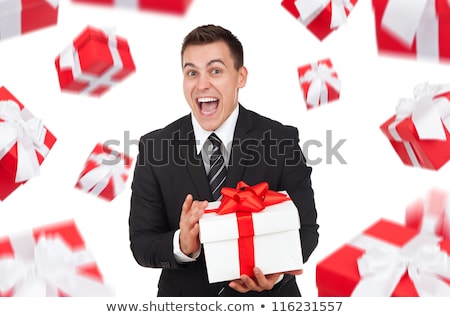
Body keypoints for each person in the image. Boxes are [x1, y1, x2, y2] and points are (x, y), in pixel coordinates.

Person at [129, 24, 319, 297]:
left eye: (215, 71)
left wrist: (275, 277)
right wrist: (182, 245)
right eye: (191, 72)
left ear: (240, 77)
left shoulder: (281, 140)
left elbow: (307, 231)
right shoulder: (154, 147)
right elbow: (141, 242)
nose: (202, 84)